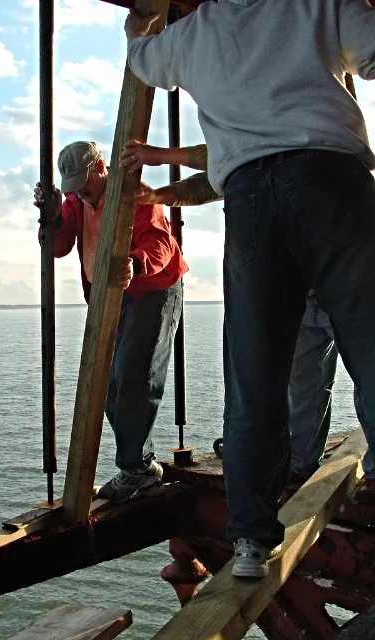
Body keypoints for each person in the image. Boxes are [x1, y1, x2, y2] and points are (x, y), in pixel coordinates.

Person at [124, 0, 375, 579]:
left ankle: (250, 544)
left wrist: (137, 28)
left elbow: (145, 60)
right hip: (333, 185)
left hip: (251, 200)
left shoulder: (197, 30)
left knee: (254, 375)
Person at [120, 141, 343, 482]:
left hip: (342, 279)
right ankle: (300, 464)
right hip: (303, 288)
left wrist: (159, 156)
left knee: (351, 376)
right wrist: (156, 196)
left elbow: (228, 155)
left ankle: (362, 469)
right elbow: (217, 176)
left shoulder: (297, 135)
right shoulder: (254, 160)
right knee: (308, 383)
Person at [34, 140, 188, 503]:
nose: (82, 194)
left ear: (101, 167)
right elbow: (57, 247)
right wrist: (53, 214)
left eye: (84, 184)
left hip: (152, 291)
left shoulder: (131, 194)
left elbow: (161, 243)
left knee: (134, 376)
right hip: (110, 297)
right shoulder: (76, 201)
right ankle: (139, 465)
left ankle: (137, 466)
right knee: (108, 381)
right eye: (73, 188)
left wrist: (134, 262)